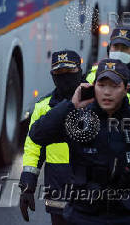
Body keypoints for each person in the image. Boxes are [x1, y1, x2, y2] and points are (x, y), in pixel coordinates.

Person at [28, 58, 130, 224]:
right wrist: (70, 105)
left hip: (129, 217)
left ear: (126, 89)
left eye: (114, 86)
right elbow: (37, 135)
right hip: (83, 216)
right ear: (93, 87)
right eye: (102, 85)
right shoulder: (80, 118)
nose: (107, 92)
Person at [19, 50, 83, 225]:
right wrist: (27, 184)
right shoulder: (43, 107)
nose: (65, 78)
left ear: (80, 71)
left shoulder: (97, 100)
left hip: (93, 190)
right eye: (59, 73)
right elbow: (33, 148)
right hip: (58, 190)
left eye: (69, 72)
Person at [86, 28, 130, 96]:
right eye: (116, 47)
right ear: (109, 49)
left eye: (124, 47)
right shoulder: (95, 73)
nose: (119, 51)